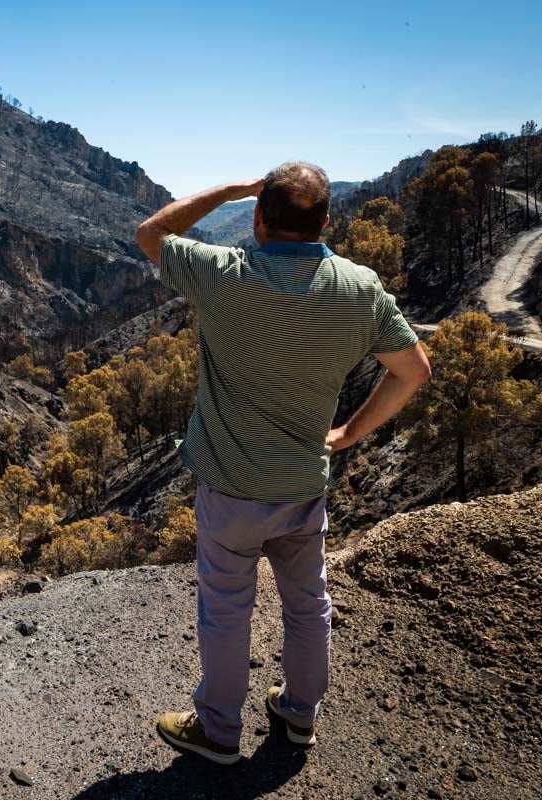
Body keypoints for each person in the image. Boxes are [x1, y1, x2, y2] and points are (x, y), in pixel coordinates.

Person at [135, 162, 431, 765]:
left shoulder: (223, 274)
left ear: (258, 219)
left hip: (229, 487)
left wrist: (232, 188)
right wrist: (348, 432)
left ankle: (217, 729)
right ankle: (299, 715)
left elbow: (151, 234)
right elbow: (414, 371)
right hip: (303, 487)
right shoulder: (361, 288)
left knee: (225, 609)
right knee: (307, 602)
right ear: (327, 221)